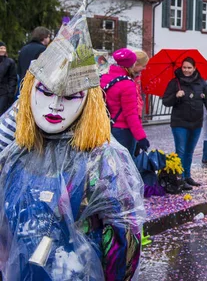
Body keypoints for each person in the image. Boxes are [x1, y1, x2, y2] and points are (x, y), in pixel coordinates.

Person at [0, 15, 144, 280]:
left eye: (70, 96)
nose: (55, 105)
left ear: (87, 102)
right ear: (30, 90)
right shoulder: (15, 155)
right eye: (46, 92)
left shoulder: (104, 161)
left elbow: (123, 239)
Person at [163, 57, 207, 189]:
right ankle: (179, 178)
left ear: (194, 68)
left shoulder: (201, 83)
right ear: (181, 67)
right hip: (179, 123)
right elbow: (166, 101)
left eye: (189, 68)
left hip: (196, 122)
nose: (186, 70)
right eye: (184, 67)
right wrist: (175, 96)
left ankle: (187, 176)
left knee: (190, 151)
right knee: (181, 150)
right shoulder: (175, 83)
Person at [100, 48, 150, 157]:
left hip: (105, 127)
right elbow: (131, 114)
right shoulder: (127, 84)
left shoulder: (104, 77)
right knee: (125, 168)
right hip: (123, 131)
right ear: (131, 65)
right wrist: (141, 137)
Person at [0, 42, 17, 114]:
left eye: (4, 48)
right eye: (1, 48)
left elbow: (12, 78)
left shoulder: (9, 62)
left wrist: (10, 92)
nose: (3, 50)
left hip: (4, 92)